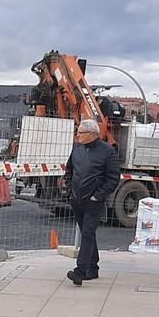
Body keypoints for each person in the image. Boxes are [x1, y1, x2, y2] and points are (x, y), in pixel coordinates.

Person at [60, 119, 120, 284]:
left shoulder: (108, 152)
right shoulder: (77, 151)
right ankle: (92, 268)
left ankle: (80, 271)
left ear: (92, 134)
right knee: (89, 234)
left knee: (87, 234)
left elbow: (113, 178)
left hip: (94, 202)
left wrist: (98, 196)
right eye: (77, 132)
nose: (77, 135)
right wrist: (69, 189)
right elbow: (69, 169)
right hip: (77, 200)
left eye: (81, 132)